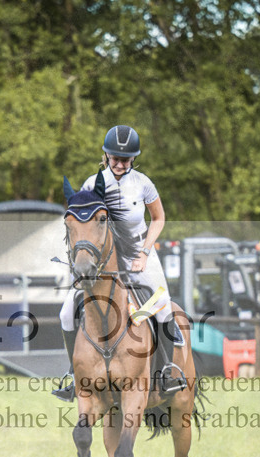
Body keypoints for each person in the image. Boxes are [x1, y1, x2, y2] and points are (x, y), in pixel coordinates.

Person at [54, 125, 186, 400]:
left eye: (126, 159)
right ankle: (74, 374)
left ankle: (167, 372)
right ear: (106, 155)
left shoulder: (143, 183)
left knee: (163, 304)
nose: (120, 164)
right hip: (103, 257)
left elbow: (158, 218)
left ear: (134, 158)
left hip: (139, 249)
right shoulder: (91, 184)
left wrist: (145, 252)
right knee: (66, 312)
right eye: (115, 158)